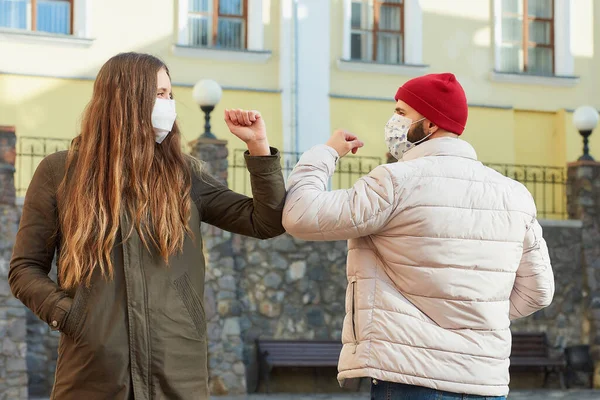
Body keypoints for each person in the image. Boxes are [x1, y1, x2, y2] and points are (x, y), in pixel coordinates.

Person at [9, 52, 286, 400]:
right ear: (126, 98)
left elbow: (266, 221)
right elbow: (25, 268)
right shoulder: (59, 172)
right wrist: (72, 316)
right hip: (93, 376)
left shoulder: (184, 174)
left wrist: (258, 147)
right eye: (159, 95)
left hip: (177, 375)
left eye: (169, 95)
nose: (168, 104)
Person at [282, 73, 554, 400]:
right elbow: (539, 292)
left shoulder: (396, 183)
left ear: (428, 125)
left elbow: (300, 214)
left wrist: (327, 153)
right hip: (485, 382)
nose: (392, 122)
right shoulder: (515, 195)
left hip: (410, 378)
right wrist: (476, 313)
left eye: (400, 113)